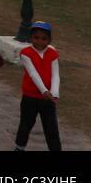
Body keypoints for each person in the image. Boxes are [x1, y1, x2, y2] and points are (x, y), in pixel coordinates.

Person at [15, 21, 61, 152]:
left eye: (44, 38)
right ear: (31, 38)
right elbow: (33, 73)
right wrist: (44, 91)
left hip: (49, 98)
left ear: (49, 40)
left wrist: (54, 93)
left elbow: (55, 75)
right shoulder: (26, 53)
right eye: (36, 37)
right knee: (26, 124)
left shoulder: (53, 53)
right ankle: (19, 147)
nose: (40, 41)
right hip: (30, 96)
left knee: (51, 127)